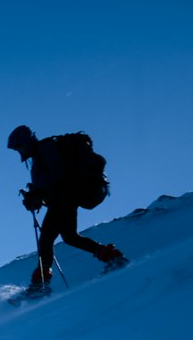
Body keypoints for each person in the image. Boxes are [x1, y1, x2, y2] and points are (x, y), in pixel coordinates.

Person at [7, 125, 127, 295]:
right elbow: (49, 183)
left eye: (19, 146)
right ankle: (112, 257)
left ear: (25, 142)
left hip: (66, 196)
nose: (19, 151)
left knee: (47, 239)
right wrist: (36, 196)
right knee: (69, 237)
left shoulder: (45, 149)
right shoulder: (38, 157)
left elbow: (59, 175)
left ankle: (40, 284)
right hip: (65, 197)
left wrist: (38, 194)